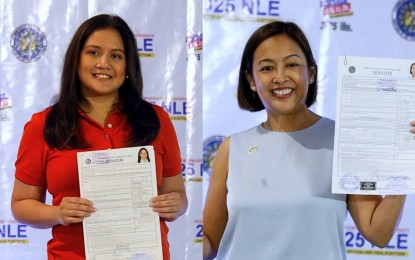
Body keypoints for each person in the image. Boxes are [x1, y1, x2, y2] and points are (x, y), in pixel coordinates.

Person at [203, 21, 412, 260]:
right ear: (251, 80)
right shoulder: (232, 148)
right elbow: (210, 241)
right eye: (267, 68)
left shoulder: (342, 141)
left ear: (310, 73)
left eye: (292, 65)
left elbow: (379, 233)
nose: (280, 77)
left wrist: (405, 156)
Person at [11, 14, 187, 260]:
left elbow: (178, 194)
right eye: (93, 52)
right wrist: (58, 213)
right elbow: (21, 204)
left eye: (116, 56)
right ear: (76, 60)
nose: (104, 63)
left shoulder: (156, 120)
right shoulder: (44, 124)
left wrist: (176, 205)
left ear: (128, 67)